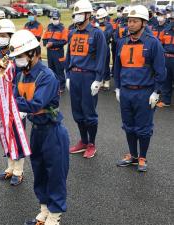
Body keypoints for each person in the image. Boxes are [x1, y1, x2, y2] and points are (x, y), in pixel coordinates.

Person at [9, 29, 69, 225]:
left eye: (20, 56)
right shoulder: (21, 75)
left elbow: (36, 104)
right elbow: (12, 99)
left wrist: (9, 101)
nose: (17, 60)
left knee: (55, 174)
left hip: (53, 131)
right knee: (39, 172)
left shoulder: (47, 76)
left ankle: (55, 216)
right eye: (16, 57)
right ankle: (43, 210)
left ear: (34, 53)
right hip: (37, 131)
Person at [114, 5, 166, 172]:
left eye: (135, 21)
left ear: (144, 23)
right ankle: (132, 155)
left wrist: (156, 92)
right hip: (126, 91)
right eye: (129, 21)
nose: (130, 24)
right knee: (128, 125)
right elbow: (117, 67)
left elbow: (160, 70)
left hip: (144, 92)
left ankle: (142, 157)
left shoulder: (153, 43)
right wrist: (118, 88)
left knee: (143, 128)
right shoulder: (122, 42)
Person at [0, 19, 25, 186]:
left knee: (16, 135)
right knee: (5, 135)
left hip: (14, 103)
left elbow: (21, 81)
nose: (0, 38)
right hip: (0, 102)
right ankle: (10, 168)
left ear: (11, 36)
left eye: (3, 35)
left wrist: (18, 103)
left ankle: (19, 170)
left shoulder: (17, 57)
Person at [67, 0, 107, 158]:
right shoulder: (72, 33)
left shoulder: (97, 33)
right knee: (77, 112)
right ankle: (83, 141)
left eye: (80, 13)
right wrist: (68, 75)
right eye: (75, 14)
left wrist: (98, 79)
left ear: (89, 15)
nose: (77, 17)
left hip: (89, 77)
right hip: (74, 76)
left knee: (89, 113)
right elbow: (69, 55)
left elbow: (102, 57)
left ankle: (91, 143)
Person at [43, 10, 68, 92]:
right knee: (51, 69)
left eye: (55, 18)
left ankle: (61, 86)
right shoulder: (49, 27)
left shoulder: (63, 29)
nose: (53, 20)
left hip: (58, 52)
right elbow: (44, 38)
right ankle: (53, 85)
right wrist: (46, 43)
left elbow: (64, 41)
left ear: (59, 18)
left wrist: (53, 44)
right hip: (50, 52)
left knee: (59, 70)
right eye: (52, 18)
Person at [157, 11, 174, 107]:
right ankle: (166, 101)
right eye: (172, 19)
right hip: (167, 58)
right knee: (167, 79)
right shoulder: (165, 31)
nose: (172, 21)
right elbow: (160, 43)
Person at [96, 8, 113, 90]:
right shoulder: (96, 25)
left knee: (105, 64)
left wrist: (98, 31)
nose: (100, 20)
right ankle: (99, 81)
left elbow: (106, 35)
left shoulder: (109, 26)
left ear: (105, 17)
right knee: (98, 65)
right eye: (99, 18)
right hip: (96, 48)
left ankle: (106, 81)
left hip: (105, 47)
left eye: (101, 18)